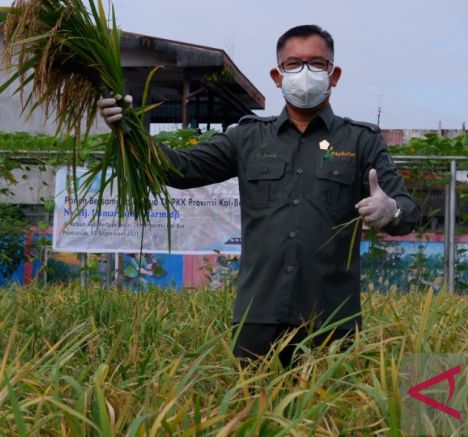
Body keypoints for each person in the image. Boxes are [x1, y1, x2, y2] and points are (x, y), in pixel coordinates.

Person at [98, 24, 418, 366]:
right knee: (252, 412)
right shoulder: (248, 138)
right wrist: (128, 129)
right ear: (277, 76)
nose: (304, 73)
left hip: (332, 318)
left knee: (329, 418)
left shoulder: (361, 141)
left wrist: (391, 211)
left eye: (317, 64)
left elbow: (408, 212)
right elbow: (177, 169)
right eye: (293, 64)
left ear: (334, 74)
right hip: (258, 316)